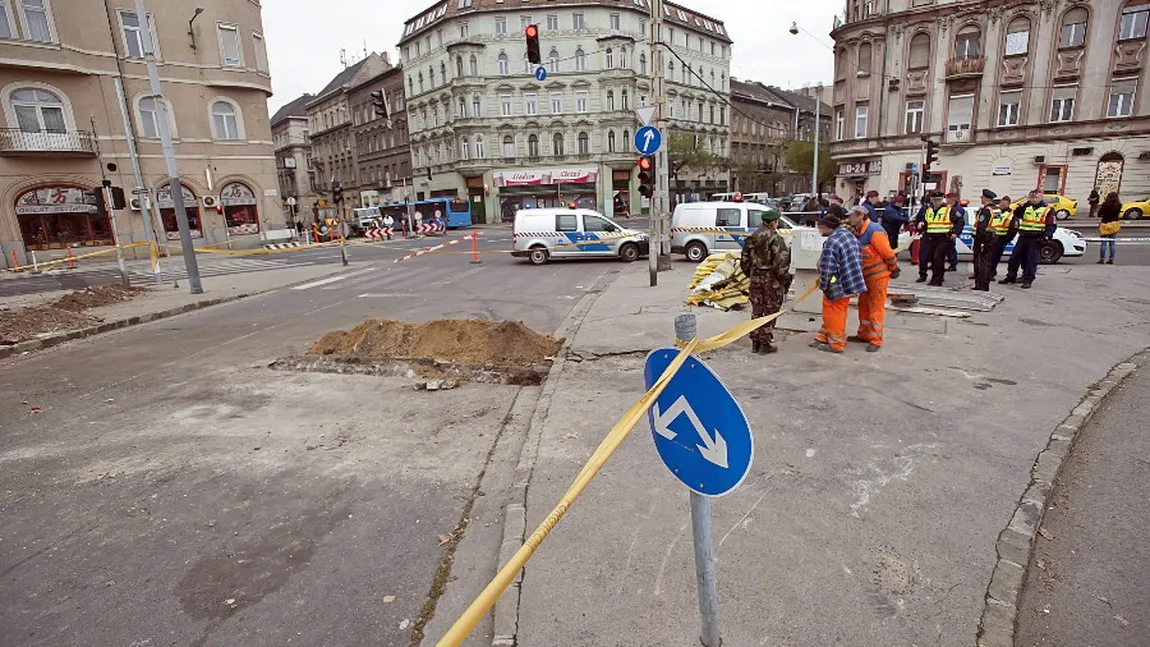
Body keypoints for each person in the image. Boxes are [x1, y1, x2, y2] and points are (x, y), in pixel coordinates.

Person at [812, 212, 866, 354]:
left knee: (834, 311)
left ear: (826, 227)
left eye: (820, 228)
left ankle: (836, 343)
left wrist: (823, 284)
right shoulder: (848, 235)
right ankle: (824, 336)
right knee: (837, 310)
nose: (819, 232)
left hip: (838, 283)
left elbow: (828, 267)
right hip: (850, 280)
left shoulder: (832, 242)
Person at [740, 208, 792, 355]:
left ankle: (755, 342)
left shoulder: (752, 237)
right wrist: (784, 280)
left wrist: (751, 274)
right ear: (774, 222)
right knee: (770, 311)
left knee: (757, 310)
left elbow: (744, 261)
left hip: (755, 278)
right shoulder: (776, 239)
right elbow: (781, 264)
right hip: (771, 280)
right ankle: (765, 343)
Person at [847, 206, 899, 352]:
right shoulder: (859, 231)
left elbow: (887, 253)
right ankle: (864, 334)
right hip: (865, 277)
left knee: (876, 307)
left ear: (860, 216)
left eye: (852, 216)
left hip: (877, 276)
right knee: (863, 305)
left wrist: (894, 268)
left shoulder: (874, 231)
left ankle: (876, 339)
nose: (849, 219)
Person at [1001, 189, 1055, 289]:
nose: (1033, 199)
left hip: (1036, 238)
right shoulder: (1027, 207)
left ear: (1041, 198)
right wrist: (1024, 204)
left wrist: (1047, 235)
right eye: (1032, 197)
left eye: (1036, 197)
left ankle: (1028, 279)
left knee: (1031, 260)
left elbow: (1051, 225)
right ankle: (1011, 276)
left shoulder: (1048, 210)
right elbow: (1017, 214)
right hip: (1023, 236)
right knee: (1014, 258)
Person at [971, 189, 997, 291]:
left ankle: (980, 284)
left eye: (982, 197)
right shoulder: (996, 209)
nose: (981, 199)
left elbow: (981, 227)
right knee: (987, 262)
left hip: (983, 240)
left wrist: (981, 240)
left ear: (986, 198)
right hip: (991, 238)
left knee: (980, 263)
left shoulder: (985, 211)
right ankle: (985, 284)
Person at [988, 195, 1016, 280]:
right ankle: (988, 272)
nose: (1001, 204)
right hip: (993, 237)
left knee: (995, 256)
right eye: (1001, 202)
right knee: (989, 256)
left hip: (1001, 238)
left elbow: (1013, 229)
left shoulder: (1012, 214)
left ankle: (992, 273)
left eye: (1004, 203)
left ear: (1008, 204)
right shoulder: (997, 212)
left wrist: (1006, 239)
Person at [1097, 191, 1122, 264]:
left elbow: (1099, 214)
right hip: (1114, 224)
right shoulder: (1119, 205)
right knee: (1112, 243)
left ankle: (1102, 259)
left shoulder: (1105, 205)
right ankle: (1111, 259)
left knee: (1103, 243)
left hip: (1105, 224)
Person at [946, 194, 966, 270]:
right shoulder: (947, 207)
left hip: (952, 231)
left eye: (948, 198)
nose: (947, 200)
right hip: (946, 231)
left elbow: (959, 221)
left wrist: (955, 232)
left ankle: (953, 264)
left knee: (951, 248)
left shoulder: (958, 209)